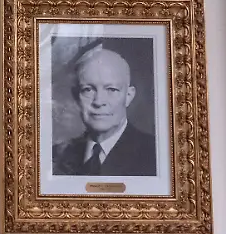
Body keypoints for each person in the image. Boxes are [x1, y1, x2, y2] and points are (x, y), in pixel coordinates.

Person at [52, 41, 156, 176]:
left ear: (128, 96)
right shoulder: (55, 156)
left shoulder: (155, 153)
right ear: (76, 97)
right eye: (88, 90)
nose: (99, 101)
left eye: (111, 89)